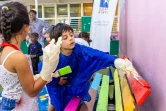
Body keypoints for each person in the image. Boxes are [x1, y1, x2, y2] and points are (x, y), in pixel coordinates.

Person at [38, 23, 132, 111]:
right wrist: (57, 81)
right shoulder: (53, 56)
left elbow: (96, 55)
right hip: (57, 88)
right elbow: (44, 73)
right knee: (59, 104)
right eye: (65, 38)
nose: (71, 39)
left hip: (74, 83)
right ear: (57, 42)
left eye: (71, 35)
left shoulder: (78, 49)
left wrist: (115, 61)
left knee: (78, 103)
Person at [0, 2, 62, 110]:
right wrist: (48, 70)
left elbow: (16, 81)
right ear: (27, 28)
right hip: (19, 106)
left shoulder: (4, 49)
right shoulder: (18, 57)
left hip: (8, 102)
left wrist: (38, 77)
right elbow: (32, 91)